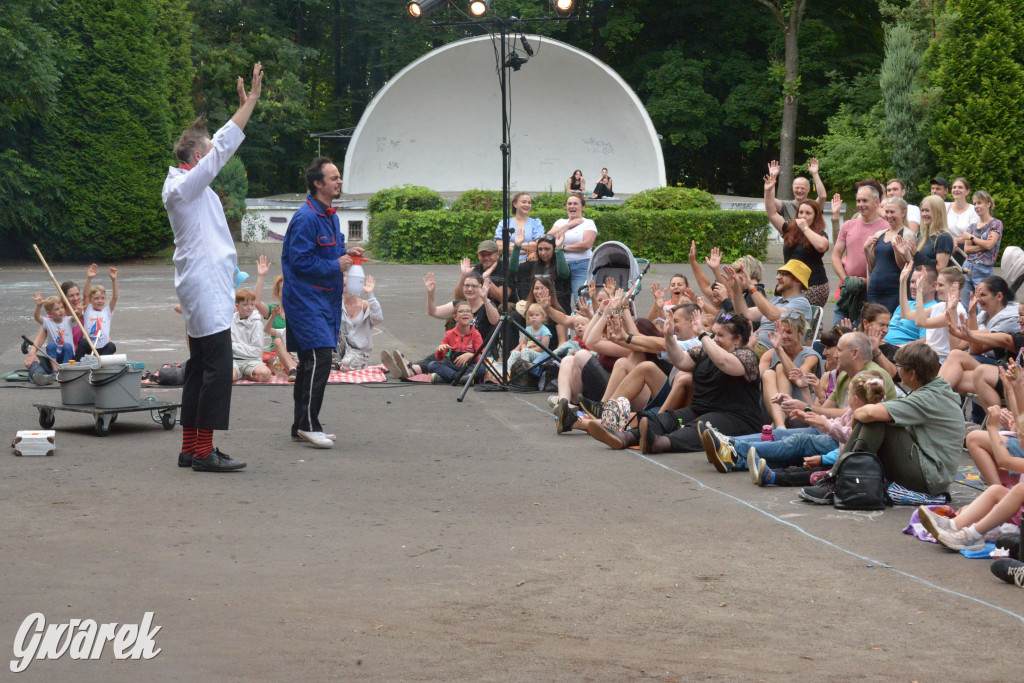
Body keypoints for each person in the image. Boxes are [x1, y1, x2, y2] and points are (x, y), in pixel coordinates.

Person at [162, 62, 262, 472]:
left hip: (207, 284)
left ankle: (190, 448)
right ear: (198, 156)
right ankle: (203, 452)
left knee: (201, 367)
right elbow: (223, 145)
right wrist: (250, 102)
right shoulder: (183, 187)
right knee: (216, 370)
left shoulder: (188, 188)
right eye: (208, 153)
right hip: (203, 287)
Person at [800, 341, 965, 502]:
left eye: (899, 366)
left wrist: (856, 417)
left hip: (931, 478)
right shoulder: (935, 389)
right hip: (931, 470)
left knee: (876, 420)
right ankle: (840, 477)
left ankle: (842, 479)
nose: (897, 370)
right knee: (877, 417)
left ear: (912, 374)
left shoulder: (927, 398)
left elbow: (869, 413)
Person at [585, 312, 765, 455]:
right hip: (700, 408)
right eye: (714, 333)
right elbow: (681, 361)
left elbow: (724, 363)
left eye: (720, 335)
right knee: (668, 418)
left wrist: (703, 335)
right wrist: (669, 337)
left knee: (701, 425)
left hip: (737, 418)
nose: (715, 338)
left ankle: (659, 443)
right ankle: (625, 436)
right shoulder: (705, 352)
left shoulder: (746, 357)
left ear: (737, 340)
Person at [282, 155, 365, 449]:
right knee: (318, 360)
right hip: (306, 300)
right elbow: (299, 261)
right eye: (334, 177)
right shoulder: (306, 218)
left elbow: (330, 252)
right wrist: (335, 266)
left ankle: (303, 424)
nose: (339, 181)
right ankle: (307, 424)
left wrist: (346, 252)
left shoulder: (330, 215)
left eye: (338, 176)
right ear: (318, 184)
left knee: (308, 362)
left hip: (322, 300)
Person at [705, 370, 885, 476]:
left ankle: (733, 446)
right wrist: (809, 416)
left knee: (798, 443)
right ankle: (733, 456)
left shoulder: (865, 415)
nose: (834, 353)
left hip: (839, 455)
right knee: (788, 446)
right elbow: (833, 420)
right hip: (833, 443)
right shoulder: (854, 410)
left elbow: (849, 437)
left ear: (855, 398)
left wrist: (822, 423)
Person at [940, 276, 1020, 399]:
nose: (978, 299)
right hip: (992, 365)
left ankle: (932, 401)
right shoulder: (984, 316)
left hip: (1008, 371)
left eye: (982, 295)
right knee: (956, 358)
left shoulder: (1010, 319)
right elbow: (957, 346)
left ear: (999, 296)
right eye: (977, 294)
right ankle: (933, 398)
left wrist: (971, 316)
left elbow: (975, 349)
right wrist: (952, 309)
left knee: (961, 366)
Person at [764, 171, 830, 307]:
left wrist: (805, 228)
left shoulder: (819, 233)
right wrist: (768, 191)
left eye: (808, 213)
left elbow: (822, 246)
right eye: (801, 212)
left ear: (815, 216)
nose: (803, 215)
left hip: (813, 286)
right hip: (790, 284)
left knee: (800, 320)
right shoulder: (789, 228)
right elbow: (771, 213)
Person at [726, 259, 813, 358]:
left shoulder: (801, 303)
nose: (777, 277)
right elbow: (745, 313)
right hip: (754, 344)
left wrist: (751, 287)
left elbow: (773, 315)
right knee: (716, 346)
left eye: (783, 275)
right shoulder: (776, 300)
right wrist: (735, 288)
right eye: (778, 274)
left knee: (724, 354)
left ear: (797, 280)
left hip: (771, 350)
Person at [831, 182, 888, 317]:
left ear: (877, 202)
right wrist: (845, 280)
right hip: (848, 291)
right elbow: (835, 256)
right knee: (838, 332)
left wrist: (868, 282)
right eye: (858, 201)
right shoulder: (848, 225)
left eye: (864, 200)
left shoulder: (886, 228)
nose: (860, 204)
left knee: (863, 335)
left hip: (872, 292)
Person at [397, 302, 486, 385]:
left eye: (467, 311)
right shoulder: (450, 334)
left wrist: (470, 355)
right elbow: (440, 357)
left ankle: (448, 378)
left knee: (482, 369)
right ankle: (459, 378)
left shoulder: (476, 334)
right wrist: (441, 350)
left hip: (467, 367)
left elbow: (482, 357)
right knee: (432, 365)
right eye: (461, 311)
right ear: (455, 317)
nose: (465, 313)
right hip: (452, 366)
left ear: (472, 316)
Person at [903, 263, 967, 363]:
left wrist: (919, 291)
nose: (937, 289)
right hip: (928, 357)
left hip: (940, 361)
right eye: (937, 284)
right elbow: (906, 314)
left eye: (941, 285)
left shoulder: (957, 310)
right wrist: (902, 282)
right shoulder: (940, 306)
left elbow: (921, 322)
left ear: (954, 286)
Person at [864, 196, 913, 312]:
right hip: (874, 290)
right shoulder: (880, 234)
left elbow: (905, 267)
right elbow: (872, 265)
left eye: (892, 212)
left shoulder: (907, 235)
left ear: (903, 213)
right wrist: (866, 249)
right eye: (887, 212)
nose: (889, 216)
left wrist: (896, 249)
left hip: (894, 291)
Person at [548, 195, 597, 302]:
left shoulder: (588, 223)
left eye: (575, 204)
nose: (572, 206)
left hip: (581, 265)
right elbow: (548, 238)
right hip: (560, 266)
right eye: (569, 204)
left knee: (580, 300)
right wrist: (568, 225)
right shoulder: (560, 222)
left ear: (583, 207)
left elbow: (586, 244)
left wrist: (562, 248)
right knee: (559, 300)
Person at [958, 190, 1003, 308]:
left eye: (979, 203)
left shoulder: (996, 224)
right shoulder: (972, 226)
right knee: (965, 305)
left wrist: (971, 237)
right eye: (975, 204)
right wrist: (982, 246)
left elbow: (989, 245)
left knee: (982, 306)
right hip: (967, 267)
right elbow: (967, 249)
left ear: (988, 204)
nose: (976, 206)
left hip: (983, 269)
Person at [509, 232, 571, 313]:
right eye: (540, 249)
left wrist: (559, 248)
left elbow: (564, 274)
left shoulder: (560, 267)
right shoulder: (531, 266)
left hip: (555, 309)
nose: (543, 253)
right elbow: (512, 270)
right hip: (533, 308)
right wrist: (517, 246)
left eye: (547, 249)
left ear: (554, 249)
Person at [339, 273, 383, 371]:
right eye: (342, 286)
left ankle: (359, 364)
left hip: (359, 350)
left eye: (348, 285)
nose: (345, 289)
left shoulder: (365, 305)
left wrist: (370, 294)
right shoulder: (337, 305)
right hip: (341, 348)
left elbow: (378, 318)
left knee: (347, 366)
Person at [885, 265, 938, 346]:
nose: (913, 287)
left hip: (900, 351)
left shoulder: (934, 309)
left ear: (934, 286)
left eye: (919, 282)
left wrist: (899, 348)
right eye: (912, 282)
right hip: (882, 344)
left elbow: (926, 340)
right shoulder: (907, 304)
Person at [75, 269, 119, 360]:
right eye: (96, 298)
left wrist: (114, 280)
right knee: (83, 342)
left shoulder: (107, 312)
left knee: (111, 346)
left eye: (102, 298)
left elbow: (115, 298)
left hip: (102, 350)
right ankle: (76, 365)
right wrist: (88, 278)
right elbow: (85, 295)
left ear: (105, 299)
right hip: (89, 348)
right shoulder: (88, 310)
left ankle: (100, 363)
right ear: (91, 300)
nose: (100, 301)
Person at [230, 289, 272, 383]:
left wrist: (234, 345)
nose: (249, 308)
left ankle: (247, 375)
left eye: (252, 304)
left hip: (252, 361)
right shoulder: (230, 321)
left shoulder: (257, 323)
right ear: (237, 306)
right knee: (228, 376)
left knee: (266, 375)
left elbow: (257, 351)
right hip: (233, 360)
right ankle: (241, 374)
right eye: (245, 305)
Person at [901, 195, 952, 269]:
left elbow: (940, 268)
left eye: (927, 210)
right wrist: (905, 252)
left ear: (938, 212)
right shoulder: (923, 236)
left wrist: (916, 254)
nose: (924, 214)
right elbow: (916, 264)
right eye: (922, 210)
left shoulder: (944, 238)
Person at [455, 241, 509, 307]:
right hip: (479, 305)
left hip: (499, 307)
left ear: (497, 255)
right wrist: (464, 275)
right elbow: (458, 298)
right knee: (457, 308)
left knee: (504, 307)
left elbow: (503, 299)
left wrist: (486, 279)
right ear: (478, 256)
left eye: (489, 254)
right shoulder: (474, 270)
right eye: (483, 255)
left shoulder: (506, 269)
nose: (486, 258)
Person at [494, 192, 545, 261]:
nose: (527, 205)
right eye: (524, 202)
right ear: (515, 204)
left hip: (529, 264)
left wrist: (512, 245)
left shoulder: (536, 223)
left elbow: (538, 245)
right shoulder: (504, 223)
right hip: (507, 263)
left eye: (529, 203)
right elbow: (499, 246)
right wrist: (526, 248)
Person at [265, 275, 297, 380]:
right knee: (277, 341)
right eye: (283, 290)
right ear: (277, 293)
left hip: (300, 357)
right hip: (284, 359)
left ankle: (296, 368)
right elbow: (267, 330)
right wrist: (272, 317)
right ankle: (293, 369)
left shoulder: (301, 313)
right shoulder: (283, 331)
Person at [32, 296, 74, 367]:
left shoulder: (68, 320)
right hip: (55, 356)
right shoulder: (47, 322)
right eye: (57, 309)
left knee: (67, 346)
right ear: (49, 313)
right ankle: (55, 370)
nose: (61, 310)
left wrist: (78, 312)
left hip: (67, 354)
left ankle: (65, 368)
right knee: (50, 346)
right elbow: (37, 317)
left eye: (62, 307)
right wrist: (39, 306)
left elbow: (77, 317)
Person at [507, 303, 552, 370]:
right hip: (527, 353)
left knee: (525, 351)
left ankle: (524, 372)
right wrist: (520, 348)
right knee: (515, 353)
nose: (534, 317)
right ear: (528, 318)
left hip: (541, 355)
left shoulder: (544, 331)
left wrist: (527, 350)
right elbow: (524, 342)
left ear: (543, 317)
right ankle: (508, 372)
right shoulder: (528, 329)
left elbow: (543, 347)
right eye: (531, 315)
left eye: (537, 315)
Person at [945, 177, 978, 244]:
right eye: (954, 187)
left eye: (960, 187)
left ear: (967, 191)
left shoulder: (974, 210)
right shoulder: (945, 206)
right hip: (945, 246)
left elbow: (973, 235)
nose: (956, 190)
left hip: (965, 248)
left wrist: (956, 241)